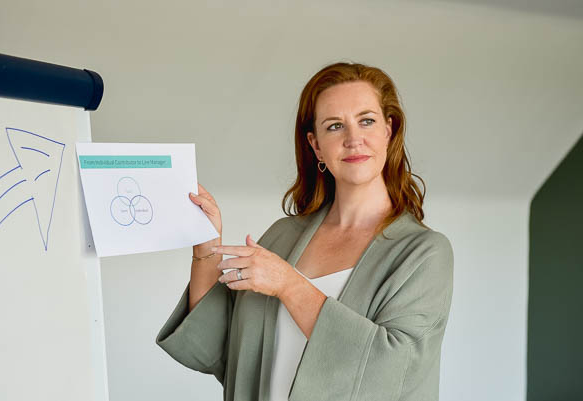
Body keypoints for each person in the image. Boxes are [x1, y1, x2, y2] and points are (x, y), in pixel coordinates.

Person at [156, 61, 454, 401]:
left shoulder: (424, 253)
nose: (353, 138)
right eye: (334, 126)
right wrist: (206, 250)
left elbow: (394, 372)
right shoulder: (282, 238)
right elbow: (217, 350)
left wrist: (288, 284)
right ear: (315, 146)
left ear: (388, 131)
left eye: (366, 121)